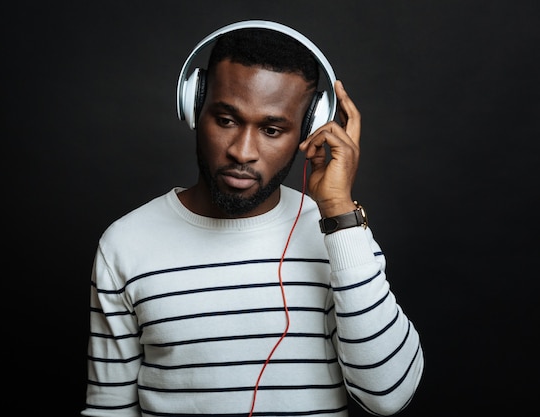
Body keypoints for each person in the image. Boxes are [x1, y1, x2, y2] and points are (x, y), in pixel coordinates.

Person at [81, 20, 424, 417]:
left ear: (310, 131)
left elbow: (387, 396)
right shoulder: (125, 244)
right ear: (195, 108)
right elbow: (110, 408)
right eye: (226, 120)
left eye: (272, 129)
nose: (243, 152)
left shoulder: (338, 232)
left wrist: (338, 212)